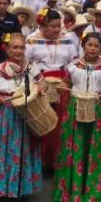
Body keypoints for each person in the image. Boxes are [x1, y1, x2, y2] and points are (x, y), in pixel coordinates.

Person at [54, 32, 101, 201]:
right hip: (76, 109)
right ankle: (74, 189)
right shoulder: (73, 66)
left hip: (100, 110)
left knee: (96, 149)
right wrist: (61, 86)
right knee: (77, 145)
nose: (92, 48)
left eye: (96, 46)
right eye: (89, 45)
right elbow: (66, 83)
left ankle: (95, 190)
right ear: (83, 46)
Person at [0, 32, 44, 198]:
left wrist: (40, 89)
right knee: (1, 149)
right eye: (15, 47)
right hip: (3, 113)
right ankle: (0, 187)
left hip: (25, 112)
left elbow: (41, 82)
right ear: (6, 49)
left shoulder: (31, 66)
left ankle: (21, 187)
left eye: (22, 47)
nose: (19, 51)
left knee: (23, 149)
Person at [25, 9, 78, 169]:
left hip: (62, 85)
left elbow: (74, 62)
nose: (56, 30)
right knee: (42, 120)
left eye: (58, 26)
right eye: (52, 26)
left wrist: (67, 80)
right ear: (42, 25)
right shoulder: (31, 41)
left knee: (61, 123)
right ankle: (39, 161)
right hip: (40, 85)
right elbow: (25, 64)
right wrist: (39, 81)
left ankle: (57, 160)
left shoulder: (67, 40)